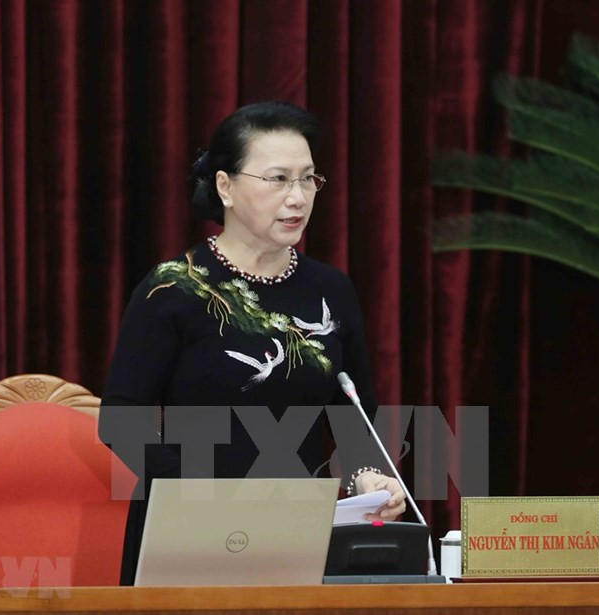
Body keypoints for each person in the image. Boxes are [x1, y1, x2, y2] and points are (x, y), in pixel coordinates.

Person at [100, 101, 406, 585]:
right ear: (226, 187)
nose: (298, 197)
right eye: (278, 179)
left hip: (294, 534)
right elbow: (120, 418)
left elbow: (355, 421)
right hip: (189, 532)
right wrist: (202, 495)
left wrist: (369, 477)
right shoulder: (173, 288)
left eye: (308, 179)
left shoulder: (330, 290)